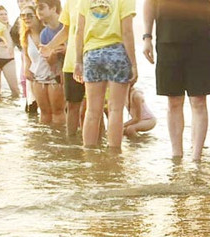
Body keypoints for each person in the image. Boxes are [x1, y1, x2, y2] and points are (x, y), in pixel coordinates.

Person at [143, 0, 210, 162]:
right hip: (168, 41)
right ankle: (176, 157)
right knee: (174, 101)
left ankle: (196, 158)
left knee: (198, 101)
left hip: (201, 42)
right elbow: (149, 3)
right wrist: (147, 37)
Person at [73, 0, 137, 150]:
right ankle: (114, 154)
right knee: (116, 109)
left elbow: (79, 31)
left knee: (92, 110)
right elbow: (127, 31)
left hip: (92, 53)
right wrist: (133, 64)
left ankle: (88, 153)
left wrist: (78, 61)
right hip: (117, 52)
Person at [39, 0, 84, 136]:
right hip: (71, 63)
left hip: (93, 59)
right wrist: (50, 47)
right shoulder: (71, 3)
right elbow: (66, 30)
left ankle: (97, 147)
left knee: (93, 108)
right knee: (72, 106)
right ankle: (71, 144)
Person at [21, 4, 57, 123]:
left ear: (37, 16)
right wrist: (26, 68)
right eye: (23, 16)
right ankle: (44, 139)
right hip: (37, 77)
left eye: (30, 15)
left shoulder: (48, 33)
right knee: (44, 112)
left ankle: (60, 139)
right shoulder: (26, 36)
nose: (26, 18)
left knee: (57, 112)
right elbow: (26, 56)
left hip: (54, 76)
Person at [35, 0, 65, 125]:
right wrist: (52, 53)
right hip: (50, 72)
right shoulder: (44, 33)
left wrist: (66, 50)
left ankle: (63, 141)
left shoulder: (67, 26)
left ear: (53, 9)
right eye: (36, 8)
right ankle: (46, 142)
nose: (38, 11)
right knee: (45, 112)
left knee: (59, 110)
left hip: (67, 73)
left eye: (41, 7)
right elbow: (50, 62)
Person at [0, 6, 20, 98]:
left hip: (9, 60)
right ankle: (0, 110)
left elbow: (20, 42)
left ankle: (15, 109)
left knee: (15, 89)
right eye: (1, 14)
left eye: (5, 14)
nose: (4, 16)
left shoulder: (13, 29)